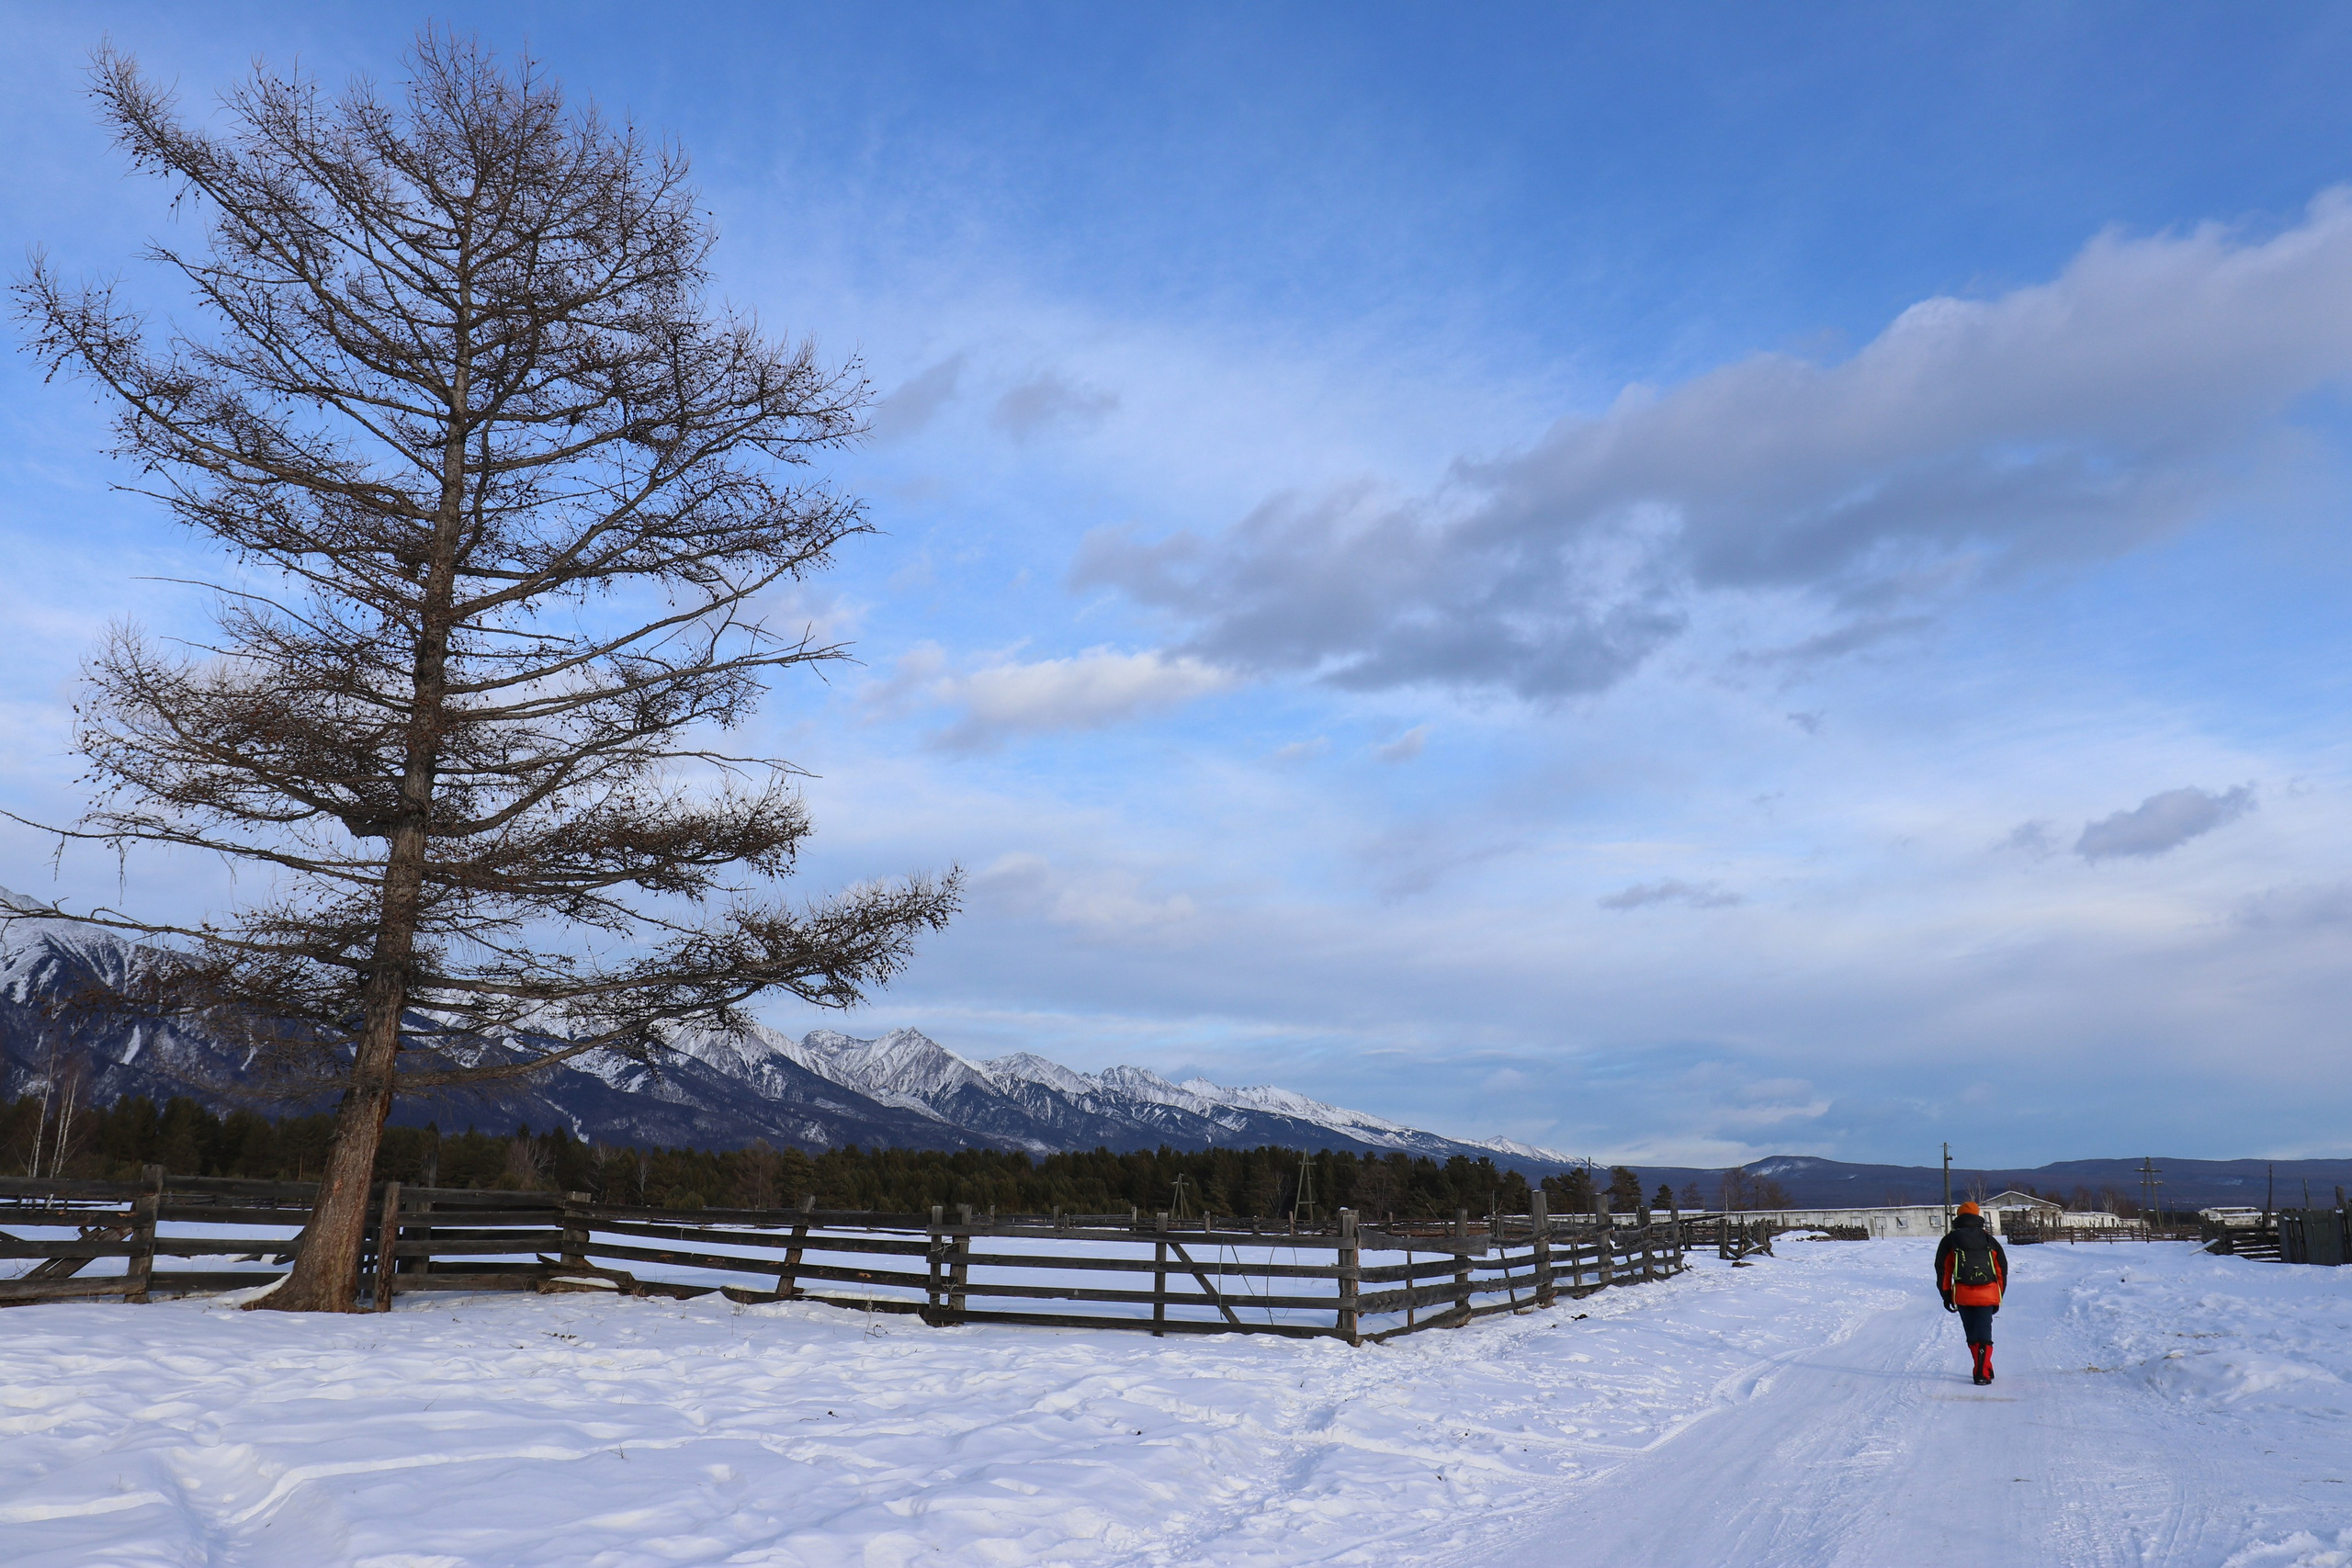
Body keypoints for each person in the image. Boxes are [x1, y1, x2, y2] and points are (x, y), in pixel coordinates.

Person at [1935, 1200, 2007, 1384]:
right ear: (1978, 1217)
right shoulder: (1990, 1240)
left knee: (1972, 1333)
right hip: (1988, 1292)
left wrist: (1946, 1294)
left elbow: (1943, 1269)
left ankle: (1982, 1368)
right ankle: (1983, 1370)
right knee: (1984, 1332)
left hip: (1963, 1294)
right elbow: (2001, 1270)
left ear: (1958, 1218)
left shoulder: (1950, 1240)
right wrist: (1998, 1295)